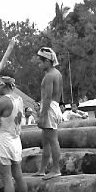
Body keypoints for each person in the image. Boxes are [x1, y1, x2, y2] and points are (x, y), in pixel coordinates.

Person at [0, 72, 29, 192]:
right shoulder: (19, 98)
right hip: (16, 139)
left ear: (2, 84)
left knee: (6, 177)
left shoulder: (2, 101)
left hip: (4, 139)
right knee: (18, 175)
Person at [35, 47, 63, 179]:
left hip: (50, 107)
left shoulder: (49, 76)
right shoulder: (57, 73)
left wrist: (42, 115)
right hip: (54, 106)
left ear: (47, 61)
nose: (39, 64)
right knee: (45, 141)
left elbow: (47, 97)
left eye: (40, 61)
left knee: (52, 140)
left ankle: (56, 169)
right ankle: (42, 169)